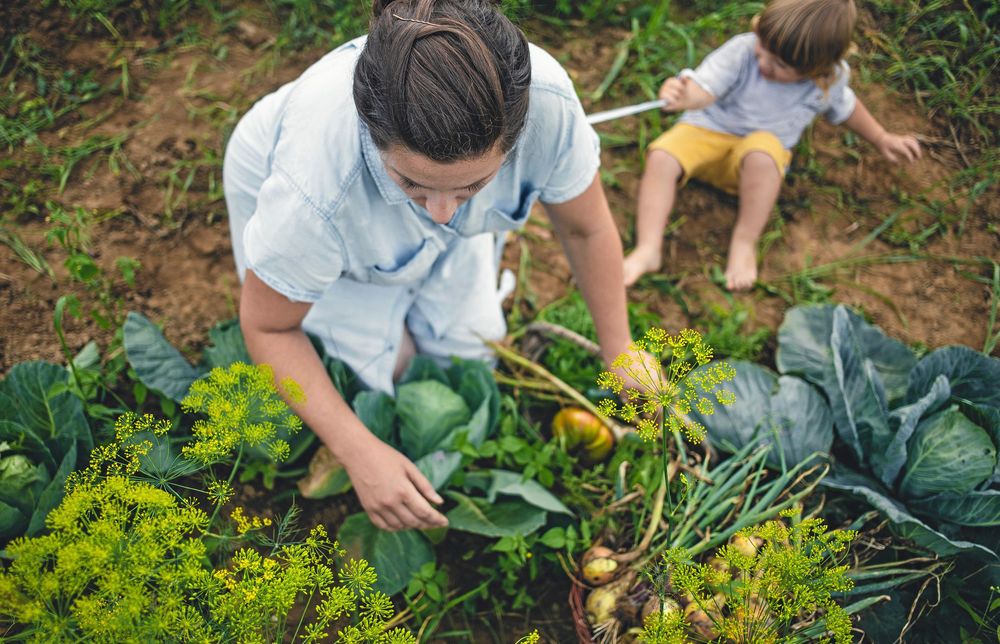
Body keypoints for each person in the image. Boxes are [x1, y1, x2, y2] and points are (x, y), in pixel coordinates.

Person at [223, 0, 635, 532]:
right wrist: (358, 451)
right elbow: (268, 325)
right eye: (411, 183)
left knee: (468, 358)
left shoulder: (549, 105)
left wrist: (619, 349)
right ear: (373, 132)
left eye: (474, 186)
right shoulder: (313, 191)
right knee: (379, 380)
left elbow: (586, 228)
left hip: (438, 245)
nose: (442, 213)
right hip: (335, 252)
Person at [621, 0, 921, 291]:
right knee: (662, 155)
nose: (763, 63)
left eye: (780, 65)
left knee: (764, 152)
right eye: (762, 48)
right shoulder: (743, 50)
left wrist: (881, 137)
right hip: (706, 131)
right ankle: (649, 248)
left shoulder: (828, 81)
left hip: (753, 165)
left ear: (816, 70)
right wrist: (685, 97)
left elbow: (846, 108)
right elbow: (705, 88)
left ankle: (744, 242)